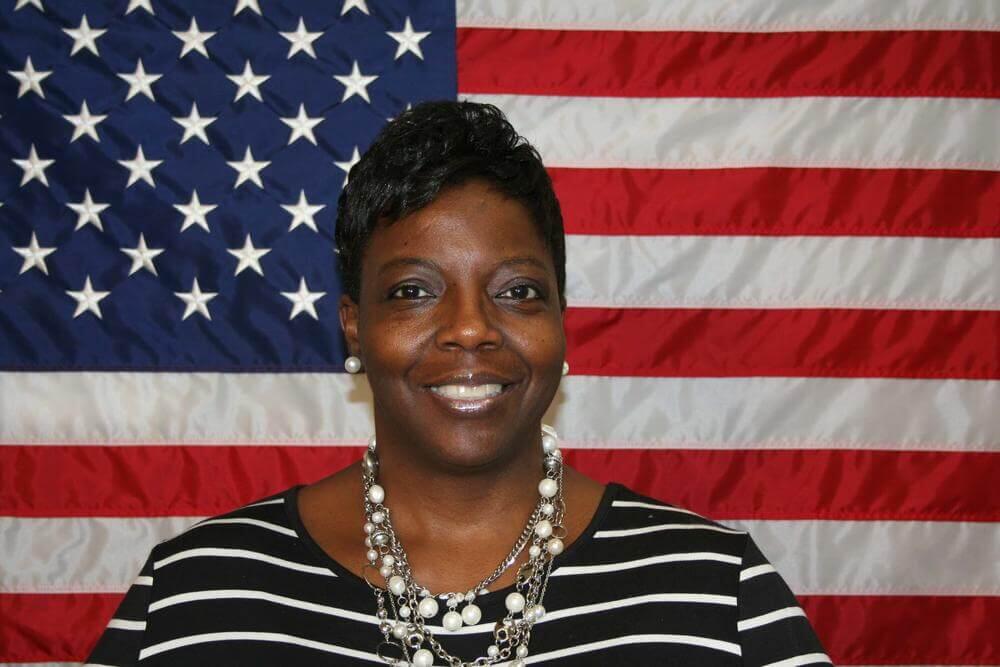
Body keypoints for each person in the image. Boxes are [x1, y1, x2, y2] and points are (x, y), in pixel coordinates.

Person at [87, 101, 829, 666]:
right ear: (353, 324)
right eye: (413, 290)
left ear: (562, 320)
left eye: (517, 292)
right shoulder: (197, 597)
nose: (470, 328)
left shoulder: (712, 590)